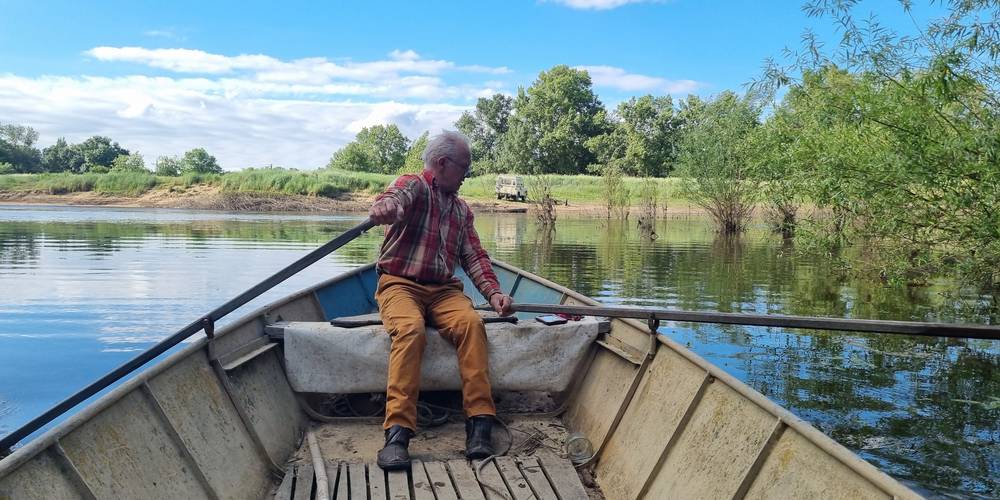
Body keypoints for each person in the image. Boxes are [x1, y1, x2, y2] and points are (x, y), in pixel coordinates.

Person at [368, 130, 514, 471]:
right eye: (464, 167)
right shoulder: (414, 186)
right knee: (410, 330)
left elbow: (474, 257)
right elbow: (394, 197)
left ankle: (480, 424)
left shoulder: (462, 210)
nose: (466, 174)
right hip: (400, 284)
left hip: (444, 290)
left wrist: (493, 294)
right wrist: (385, 206)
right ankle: (398, 433)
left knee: (472, 324)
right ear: (443, 163)